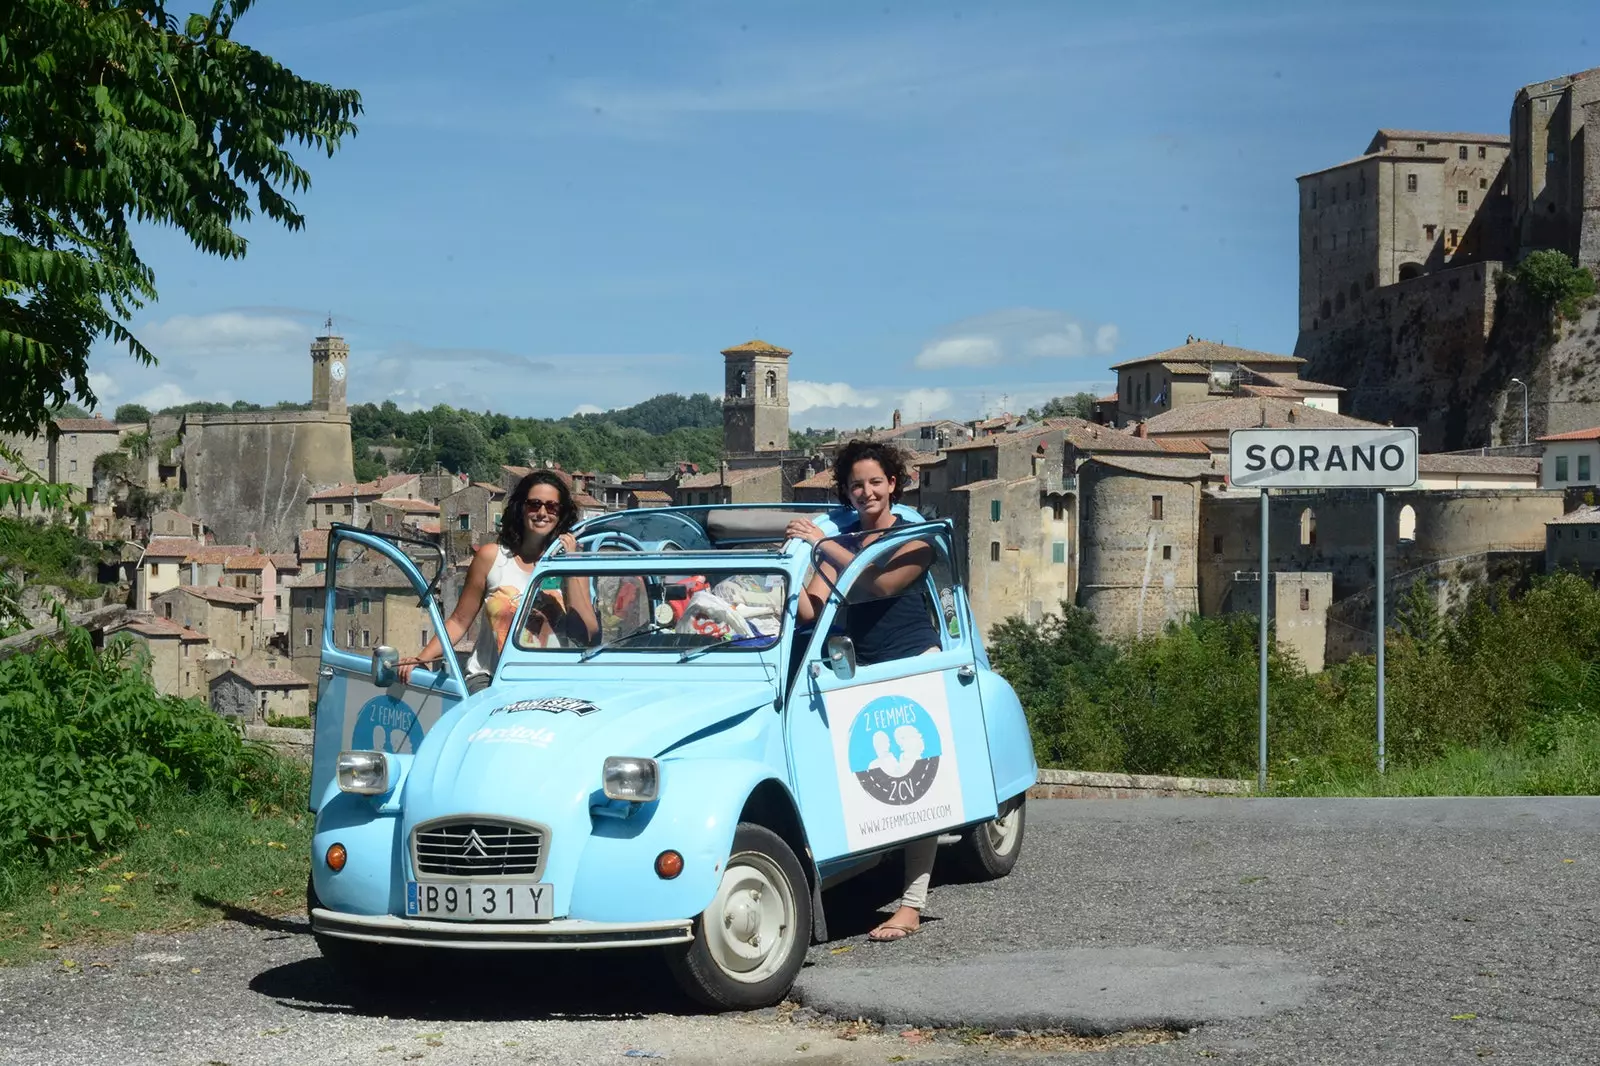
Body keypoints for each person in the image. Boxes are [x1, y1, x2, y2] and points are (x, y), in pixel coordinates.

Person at [784, 439, 940, 943]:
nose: (866, 491)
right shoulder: (839, 540)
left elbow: (879, 584)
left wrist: (821, 545)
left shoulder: (916, 536)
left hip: (912, 663)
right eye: (856, 484)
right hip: (858, 666)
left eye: (875, 481)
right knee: (866, 776)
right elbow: (814, 608)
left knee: (915, 785)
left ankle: (912, 905)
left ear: (893, 483)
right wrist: (781, 580)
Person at [399, 471, 598, 692]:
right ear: (521, 508)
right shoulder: (492, 558)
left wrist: (569, 565)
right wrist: (421, 659)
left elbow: (587, 634)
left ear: (561, 514)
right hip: (491, 680)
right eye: (534, 504)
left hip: (550, 684)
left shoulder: (573, 563)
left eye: (552, 507)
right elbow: (459, 621)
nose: (542, 512)